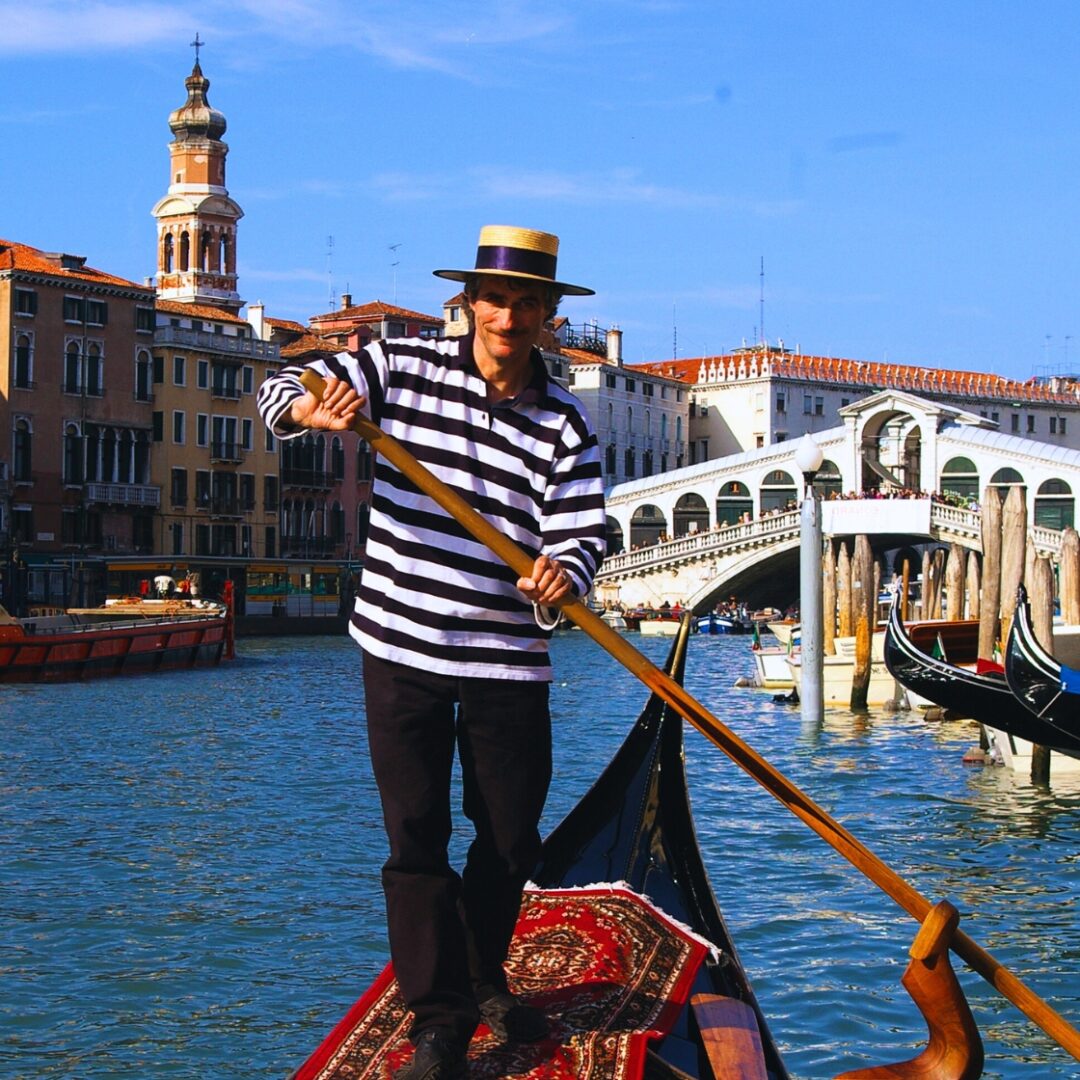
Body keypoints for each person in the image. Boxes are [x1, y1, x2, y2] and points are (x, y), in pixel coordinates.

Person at [257, 225, 606, 1079]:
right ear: (469, 304)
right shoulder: (400, 367)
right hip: (401, 642)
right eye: (497, 300)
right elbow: (279, 387)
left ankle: (484, 979)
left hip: (506, 656)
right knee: (416, 837)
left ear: (549, 316)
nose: (510, 317)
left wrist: (563, 570)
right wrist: (310, 409)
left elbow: (583, 529)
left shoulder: (565, 424)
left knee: (511, 839)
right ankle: (440, 1021)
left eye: (528, 303)